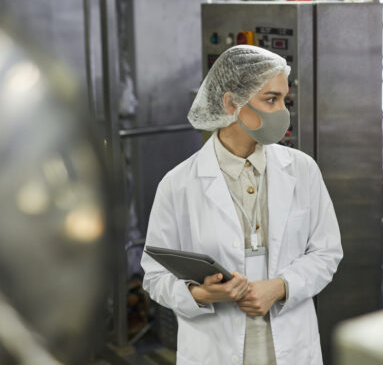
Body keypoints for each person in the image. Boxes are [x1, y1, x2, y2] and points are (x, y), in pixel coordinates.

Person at [141, 45, 343, 365]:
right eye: (271, 100)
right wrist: (200, 295)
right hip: (214, 347)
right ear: (232, 102)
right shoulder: (179, 184)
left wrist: (279, 287)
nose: (282, 112)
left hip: (289, 345)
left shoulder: (302, 170)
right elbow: (154, 275)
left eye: (284, 100)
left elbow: (327, 252)